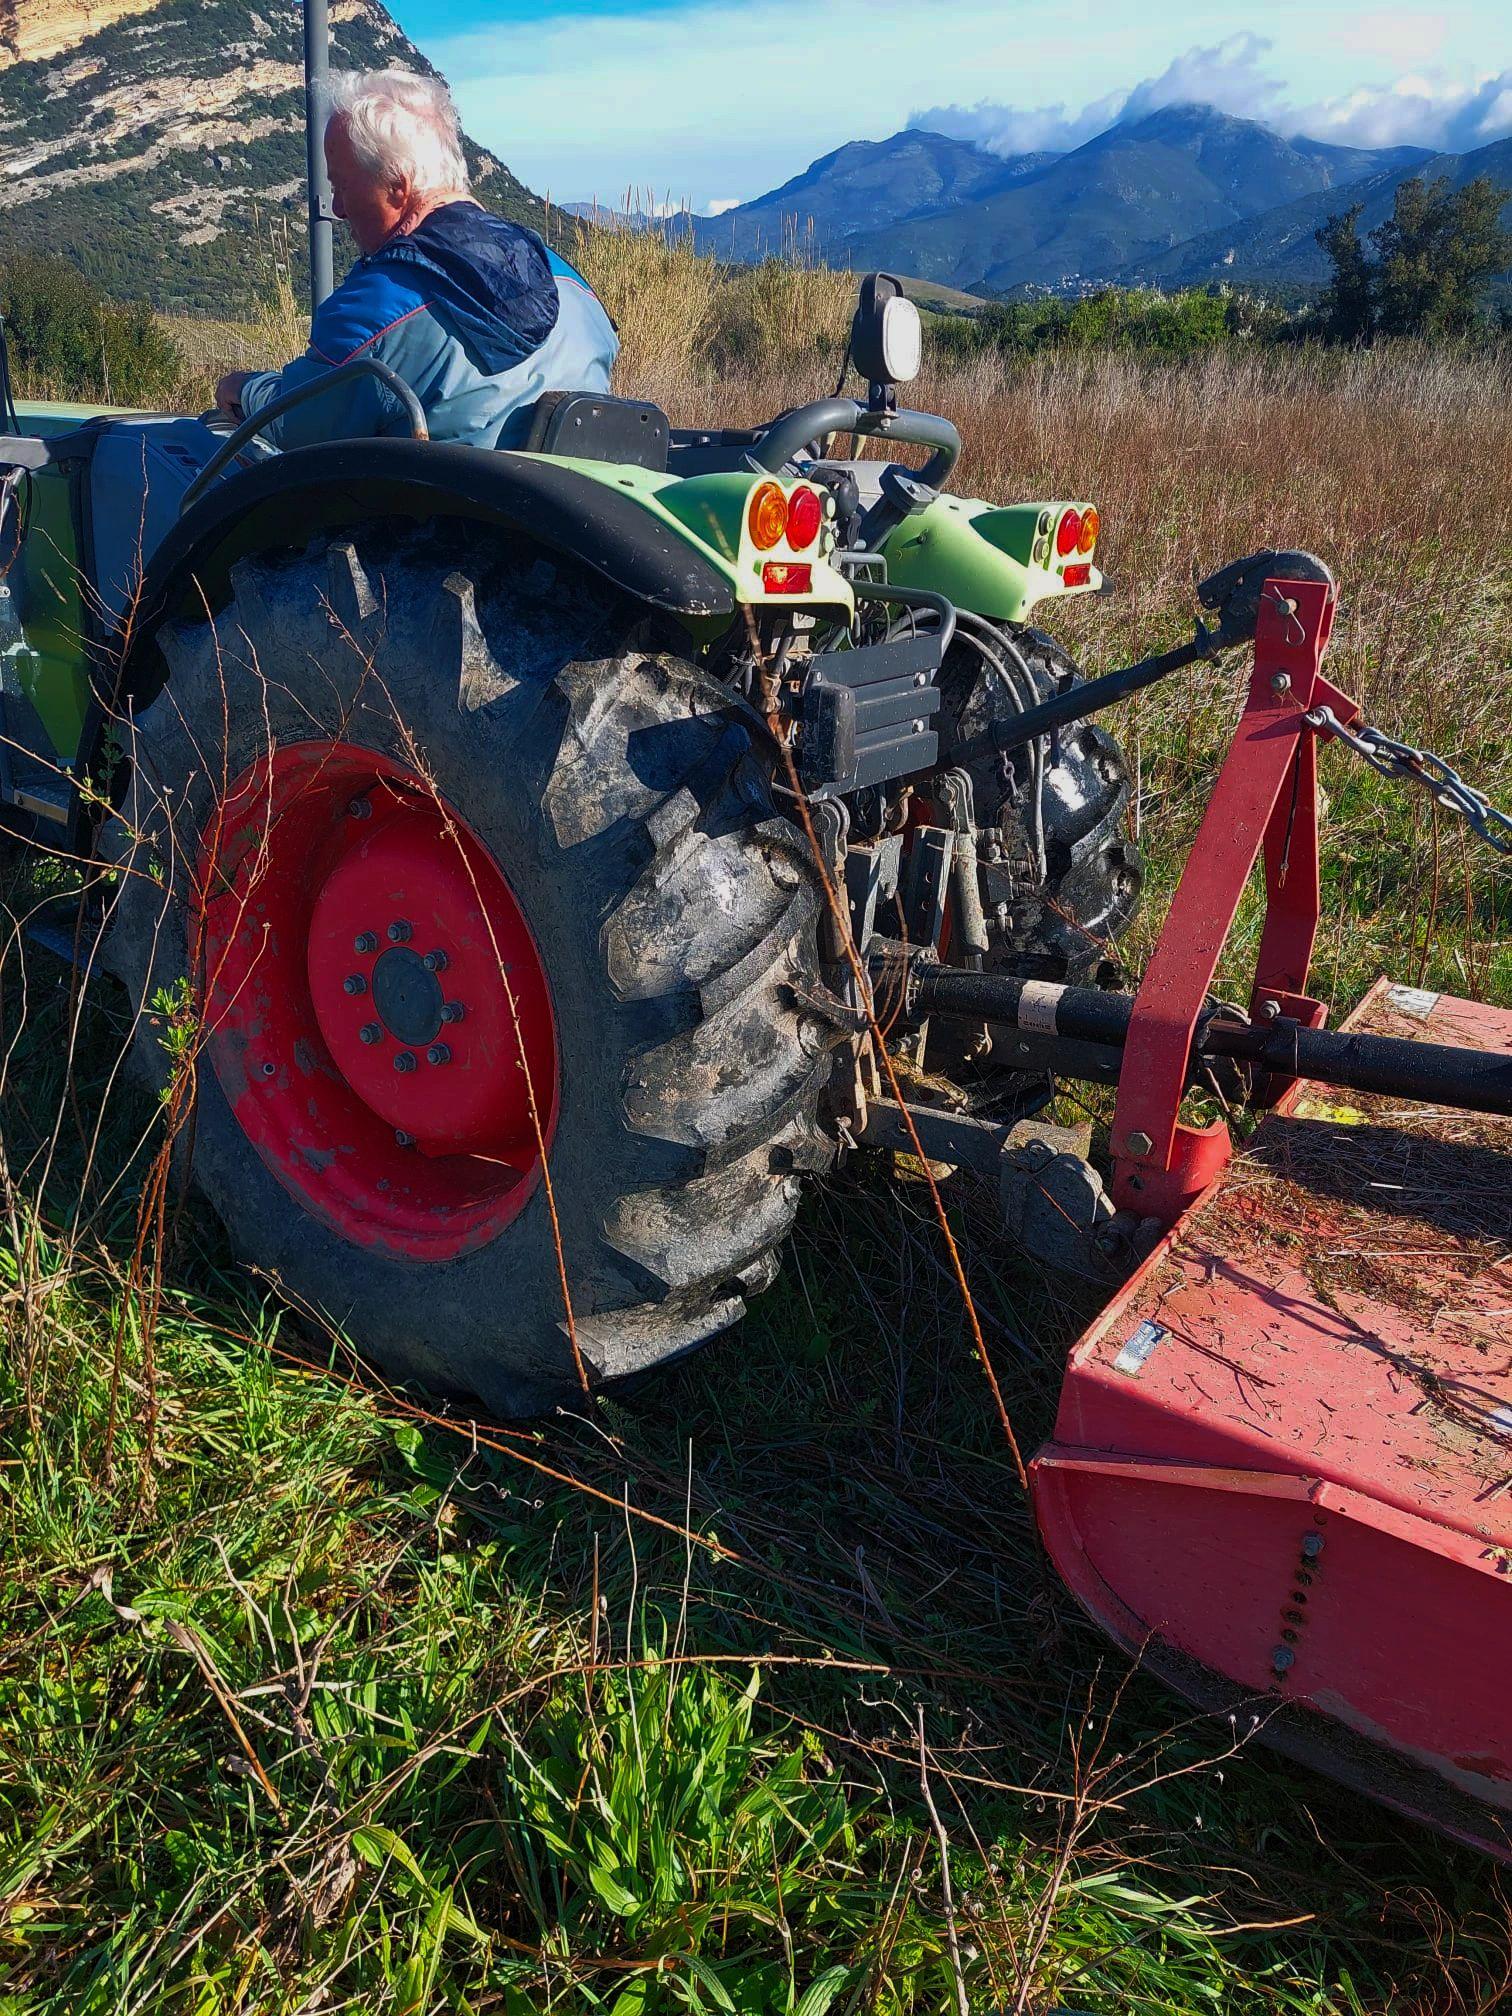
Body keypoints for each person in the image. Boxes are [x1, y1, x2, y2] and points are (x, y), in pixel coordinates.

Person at [214, 70, 617, 451]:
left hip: (441, 521)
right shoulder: (570, 282)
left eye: (342, 186)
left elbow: (297, 427)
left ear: (397, 186)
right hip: (564, 519)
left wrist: (245, 389)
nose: (336, 208)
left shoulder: (374, 308)